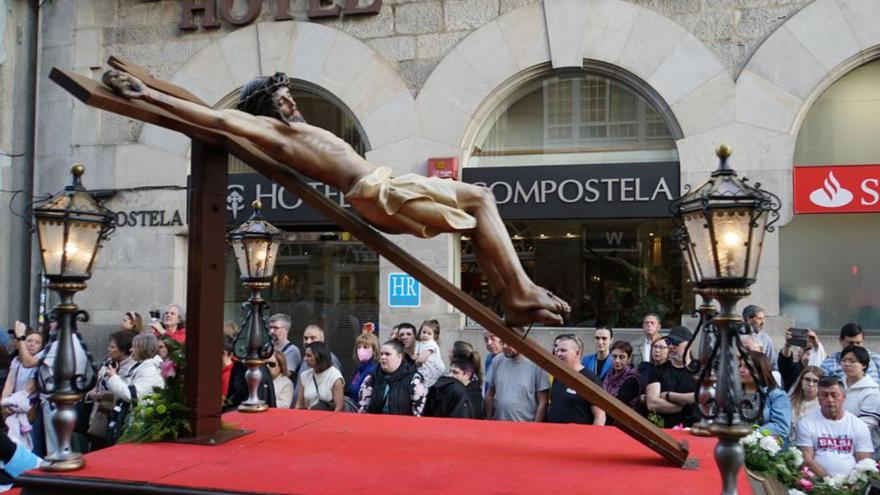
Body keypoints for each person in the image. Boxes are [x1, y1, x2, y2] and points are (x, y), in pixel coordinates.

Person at [102, 69, 571, 328]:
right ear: (266, 107)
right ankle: (519, 292)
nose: (290, 103)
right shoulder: (267, 129)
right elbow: (216, 121)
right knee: (482, 200)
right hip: (377, 192)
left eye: (288, 96)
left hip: (381, 186)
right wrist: (147, 95)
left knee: (474, 212)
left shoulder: (294, 128)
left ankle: (514, 295)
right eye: (282, 98)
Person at [796, 376, 873, 478]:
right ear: (818, 398)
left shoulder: (859, 425)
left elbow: (863, 463)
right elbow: (807, 460)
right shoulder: (806, 423)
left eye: (834, 395)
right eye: (824, 395)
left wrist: (849, 483)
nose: (829, 399)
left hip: (851, 485)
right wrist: (830, 482)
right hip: (817, 482)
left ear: (843, 397)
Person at [104, 334, 165, 443]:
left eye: (134, 347)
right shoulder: (143, 366)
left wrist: (113, 378)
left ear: (143, 348)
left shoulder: (149, 370)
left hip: (141, 424)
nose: (131, 349)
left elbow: (131, 395)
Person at [84, 331, 134, 451]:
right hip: (100, 417)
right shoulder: (107, 362)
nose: (108, 349)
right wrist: (91, 394)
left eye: (112, 347)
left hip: (119, 421)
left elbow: (128, 394)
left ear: (123, 350)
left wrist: (112, 396)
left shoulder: (132, 368)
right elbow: (97, 386)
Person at [0, 326, 44, 449]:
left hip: (29, 406)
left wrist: (15, 403)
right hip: (13, 403)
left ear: (41, 346)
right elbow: (9, 383)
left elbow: (30, 388)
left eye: (37, 342)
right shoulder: (16, 360)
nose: (32, 344)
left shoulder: (40, 362)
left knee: (31, 443)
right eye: (29, 341)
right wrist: (4, 402)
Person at [645, 326, 698, 428]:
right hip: (665, 431)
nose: (672, 346)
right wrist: (682, 404)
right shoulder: (658, 370)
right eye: (669, 342)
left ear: (689, 344)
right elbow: (652, 403)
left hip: (693, 429)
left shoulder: (699, 369)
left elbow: (702, 396)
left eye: (676, 342)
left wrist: (669, 395)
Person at [547, 335, 605, 426]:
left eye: (563, 350)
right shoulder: (558, 376)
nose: (558, 354)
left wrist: (593, 438)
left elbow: (600, 416)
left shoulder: (590, 379)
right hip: (554, 435)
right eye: (557, 350)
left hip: (578, 437)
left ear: (577, 353)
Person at [357, 340, 427, 416]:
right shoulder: (371, 378)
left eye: (387, 354)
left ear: (399, 357)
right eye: (381, 354)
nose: (383, 357)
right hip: (376, 424)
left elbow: (418, 414)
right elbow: (363, 409)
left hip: (405, 426)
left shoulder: (415, 379)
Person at [485, 341, 550, 422]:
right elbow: (490, 393)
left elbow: (543, 402)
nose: (505, 346)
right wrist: (488, 419)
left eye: (509, 342)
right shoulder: (497, 360)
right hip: (499, 425)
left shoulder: (536, 363)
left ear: (521, 341)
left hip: (525, 426)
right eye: (502, 342)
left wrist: (535, 427)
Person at [740, 351, 791, 442]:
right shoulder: (735, 392)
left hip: (761, 450)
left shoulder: (776, 395)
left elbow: (781, 427)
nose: (741, 370)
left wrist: (752, 435)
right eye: (740, 366)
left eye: (747, 367)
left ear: (760, 371)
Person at [840, 345, 880, 455]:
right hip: (837, 445)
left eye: (852, 361)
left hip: (865, 452)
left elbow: (865, 426)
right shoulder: (838, 385)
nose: (846, 364)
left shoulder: (872, 391)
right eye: (844, 360)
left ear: (863, 365)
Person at [295, 342, 344, 411]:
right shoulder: (304, 376)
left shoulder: (335, 376)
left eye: (309, 355)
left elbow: (339, 407)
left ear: (319, 356)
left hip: (327, 419)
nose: (305, 359)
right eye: (305, 355)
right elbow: (299, 405)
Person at [602, 341, 641, 412]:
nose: (617, 360)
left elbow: (618, 404)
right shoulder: (608, 373)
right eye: (614, 356)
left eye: (622, 357)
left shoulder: (632, 379)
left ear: (629, 359)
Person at [789, 366, 823, 444]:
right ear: (801, 381)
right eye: (807, 380)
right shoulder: (790, 402)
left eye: (815, 381)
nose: (811, 384)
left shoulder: (823, 405)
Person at [742, 305, 777, 370]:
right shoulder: (736, 337)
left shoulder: (765, 339)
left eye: (763, 319)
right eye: (759, 319)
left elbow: (772, 364)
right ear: (748, 319)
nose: (763, 322)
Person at [268, 313, 301, 380]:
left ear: (285, 330)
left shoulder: (292, 351)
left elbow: (286, 375)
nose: (271, 331)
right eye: (270, 327)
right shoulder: (267, 347)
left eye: (275, 328)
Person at [347, 333, 379, 401]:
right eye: (359, 347)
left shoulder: (374, 371)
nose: (361, 350)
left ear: (374, 350)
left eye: (365, 347)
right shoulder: (359, 369)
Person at [414, 319, 445, 387]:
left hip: (433, 369)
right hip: (424, 369)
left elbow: (421, 359)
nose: (425, 335)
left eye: (429, 334)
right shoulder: (419, 343)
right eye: (424, 332)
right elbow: (415, 355)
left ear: (434, 336)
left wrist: (416, 360)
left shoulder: (431, 344)